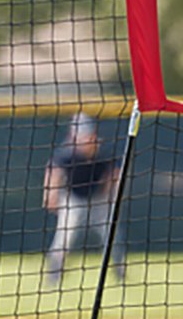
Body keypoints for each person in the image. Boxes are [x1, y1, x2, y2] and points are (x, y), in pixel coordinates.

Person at [42, 113, 126, 285]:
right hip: (74, 198)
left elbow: (115, 173)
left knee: (112, 236)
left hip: (98, 199)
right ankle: (55, 274)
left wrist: (112, 194)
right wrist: (50, 195)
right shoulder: (66, 152)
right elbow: (54, 172)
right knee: (64, 237)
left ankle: (120, 272)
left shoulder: (103, 151)